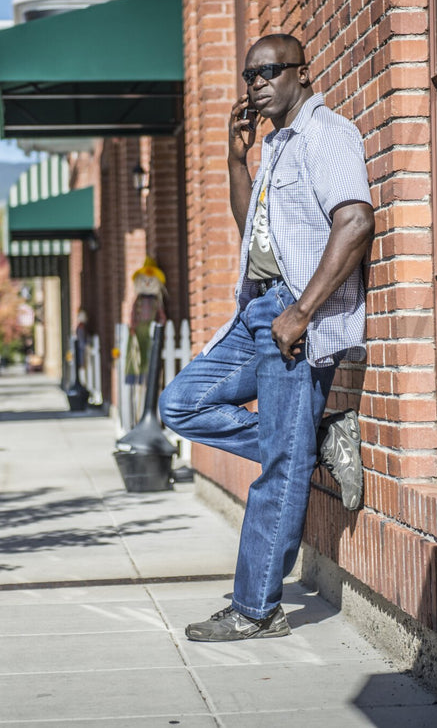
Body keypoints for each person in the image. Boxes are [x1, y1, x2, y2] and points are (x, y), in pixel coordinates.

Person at [158, 34, 374, 641]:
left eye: (269, 71)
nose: (256, 84)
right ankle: (316, 439)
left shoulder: (326, 134)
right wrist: (237, 161)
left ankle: (256, 609)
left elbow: (356, 222)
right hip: (256, 312)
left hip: (291, 319)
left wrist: (301, 312)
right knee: (180, 404)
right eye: (249, 75)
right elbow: (252, 228)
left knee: (279, 466)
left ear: (302, 73)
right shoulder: (276, 144)